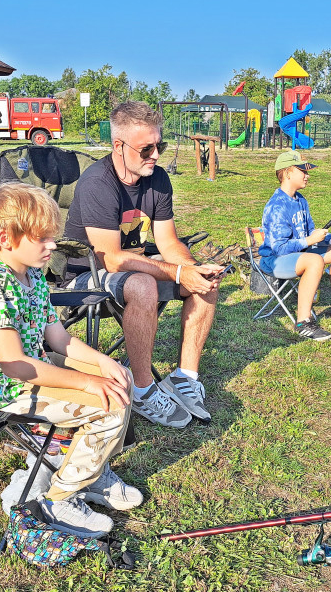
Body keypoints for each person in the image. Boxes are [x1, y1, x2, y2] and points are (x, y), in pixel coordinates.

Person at [0, 183, 139, 538]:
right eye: (42, 238)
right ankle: (59, 500)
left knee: (119, 378)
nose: (53, 246)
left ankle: (92, 474)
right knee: (109, 404)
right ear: (6, 238)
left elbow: (59, 338)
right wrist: (87, 382)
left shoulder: (32, 274)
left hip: (27, 374)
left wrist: (102, 364)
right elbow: (14, 364)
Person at [63, 101, 222, 429]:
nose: (156, 155)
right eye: (146, 148)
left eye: (159, 145)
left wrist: (192, 270)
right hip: (85, 276)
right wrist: (177, 273)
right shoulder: (98, 183)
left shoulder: (158, 179)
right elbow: (111, 257)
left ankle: (184, 378)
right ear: (118, 146)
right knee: (144, 283)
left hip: (134, 267)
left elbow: (169, 243)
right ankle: (143, 389)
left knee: (204, 278)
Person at [259, 151, 331, 341]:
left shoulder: (301, 200)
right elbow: (279, 248)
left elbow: (310, 234)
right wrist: (310, 242)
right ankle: (303, 321)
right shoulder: (277, 205)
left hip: (300, 253)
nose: (307, 175)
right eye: (302, 170)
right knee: (315, 261)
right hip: (274, 261)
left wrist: (330, 240)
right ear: (287, 173)